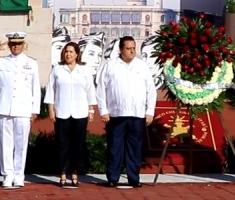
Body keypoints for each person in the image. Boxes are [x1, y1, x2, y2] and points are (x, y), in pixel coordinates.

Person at [0, 32, 41, 189]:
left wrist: (35, 110)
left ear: (23, 45)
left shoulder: (31, 63)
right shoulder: (2, 62)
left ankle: (19, 175)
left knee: (21, 144)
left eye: (18, 44)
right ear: (9, 45)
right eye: (13, 44)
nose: (16, 47)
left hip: (23, 108)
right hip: (5, 107)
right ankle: (7, 175)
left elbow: (36, 88)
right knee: (6, 143)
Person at [96, 36, 157, 188]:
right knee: (115, 147)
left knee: (135, 148)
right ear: (121, 49)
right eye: (129, 48)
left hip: (137, 114)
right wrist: (103, 110)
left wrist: (149, 111)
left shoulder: (141, 66)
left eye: (134, 48)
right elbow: (101, 89)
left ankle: (133, 177)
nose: (132, 51)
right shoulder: (110, 66)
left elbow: (151, 89)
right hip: (116, 114)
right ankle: (112, 177)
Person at [44, 41, 96, 188]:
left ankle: (74, 174)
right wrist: (51, 109)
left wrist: (91, 110)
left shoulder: (84, 70)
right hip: (62, 112)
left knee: (78, 145)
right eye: (66, 51)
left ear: (77, 54)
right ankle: (62, 174)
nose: (68, 54)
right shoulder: (57, 69)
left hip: (80, 112)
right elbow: (51, 90)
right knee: (62, 144)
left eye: (71, 52)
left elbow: (90, 91)